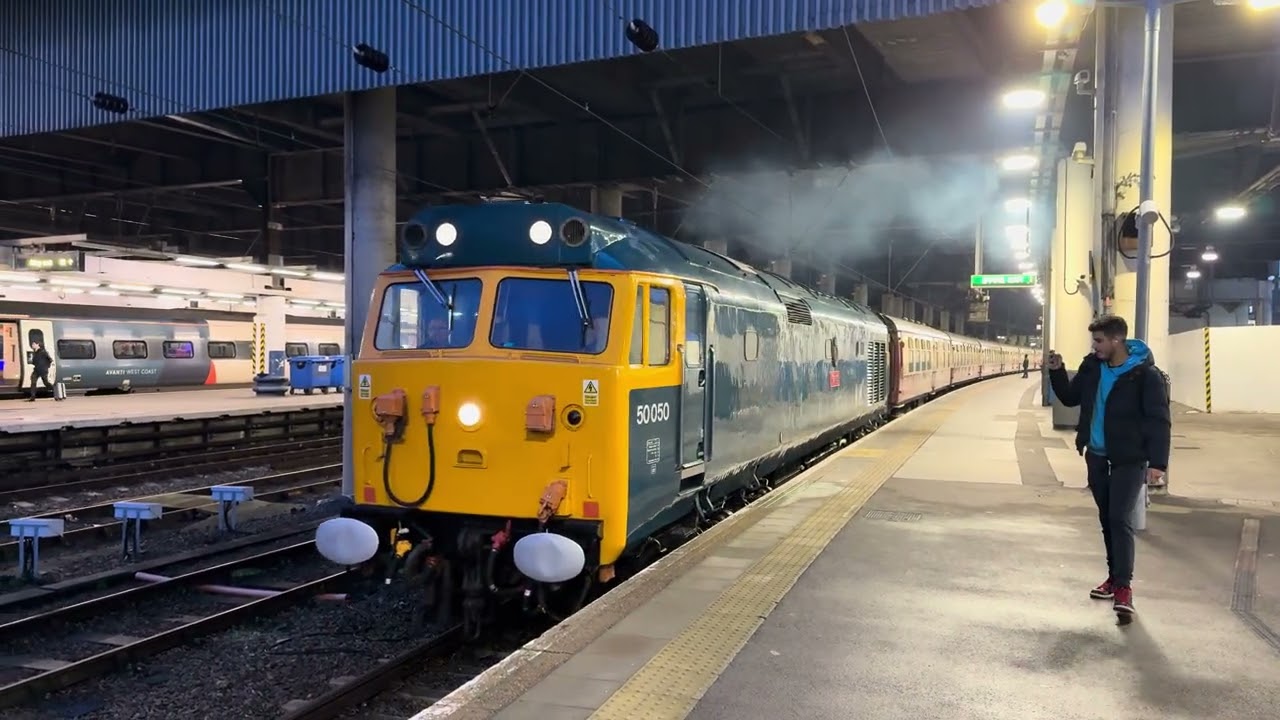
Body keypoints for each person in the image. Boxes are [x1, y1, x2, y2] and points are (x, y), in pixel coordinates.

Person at [1045, 315, 1169, 617]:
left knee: (1119, 518)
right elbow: (1070, 398)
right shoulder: (1092, 367)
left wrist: (1158, 463)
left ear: (1117, 340)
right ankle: (1114, 578)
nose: (1094, 346)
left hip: (1129, 458)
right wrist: (1058, 371)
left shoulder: (1144, 375)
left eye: (1099, 341)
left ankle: (1124, 586)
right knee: (1106, 518)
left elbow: (1159, 420)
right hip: (1097, 455)